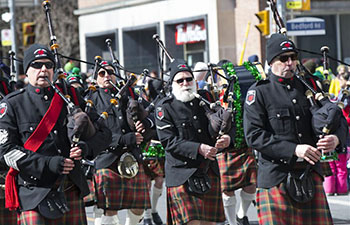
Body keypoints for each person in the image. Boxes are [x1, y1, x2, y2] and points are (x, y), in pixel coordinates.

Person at [0, 43, 112, 224]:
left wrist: (86, 148)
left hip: (69, 187)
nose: (43, 69)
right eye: (37, 65)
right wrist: (47, 163)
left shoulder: (71, 98)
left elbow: (105, 134)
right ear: (27, 71)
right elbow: (6, 151)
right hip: (34, 191)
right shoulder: (13, 104)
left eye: (48, 65)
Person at [243, 34, 348, 224]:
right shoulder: (259, 92)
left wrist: (336, 139)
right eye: (283, 59)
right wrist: (294, 149)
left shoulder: (309, 87)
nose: (290, 63)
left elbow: (338, 119)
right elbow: (254, 135)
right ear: (272, 61)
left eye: (293, 57)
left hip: (309, 175)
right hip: (276, 177)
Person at [155, 59, 230, 225]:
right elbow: (169, 141)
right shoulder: (164, 107)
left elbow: (219, 126)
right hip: (182, 173)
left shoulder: (205, 99)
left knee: (208, 223)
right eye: (180, 80)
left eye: (188, 79)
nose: (185, 83)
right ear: (172, 83)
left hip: (207, 170)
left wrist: (226, 138)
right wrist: (199, 148)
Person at [88, 61, 153, 225]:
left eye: (110, 72)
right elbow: (92, 133)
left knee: (139, 207)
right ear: (96, 78)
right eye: (102, 74)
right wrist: (125, 139)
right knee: (109, 209)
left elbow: (151, 115)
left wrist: (144, 124)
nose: (107, 76)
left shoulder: (128, 94)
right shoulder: (91, 100)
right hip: (107, 159)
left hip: (132, 158)